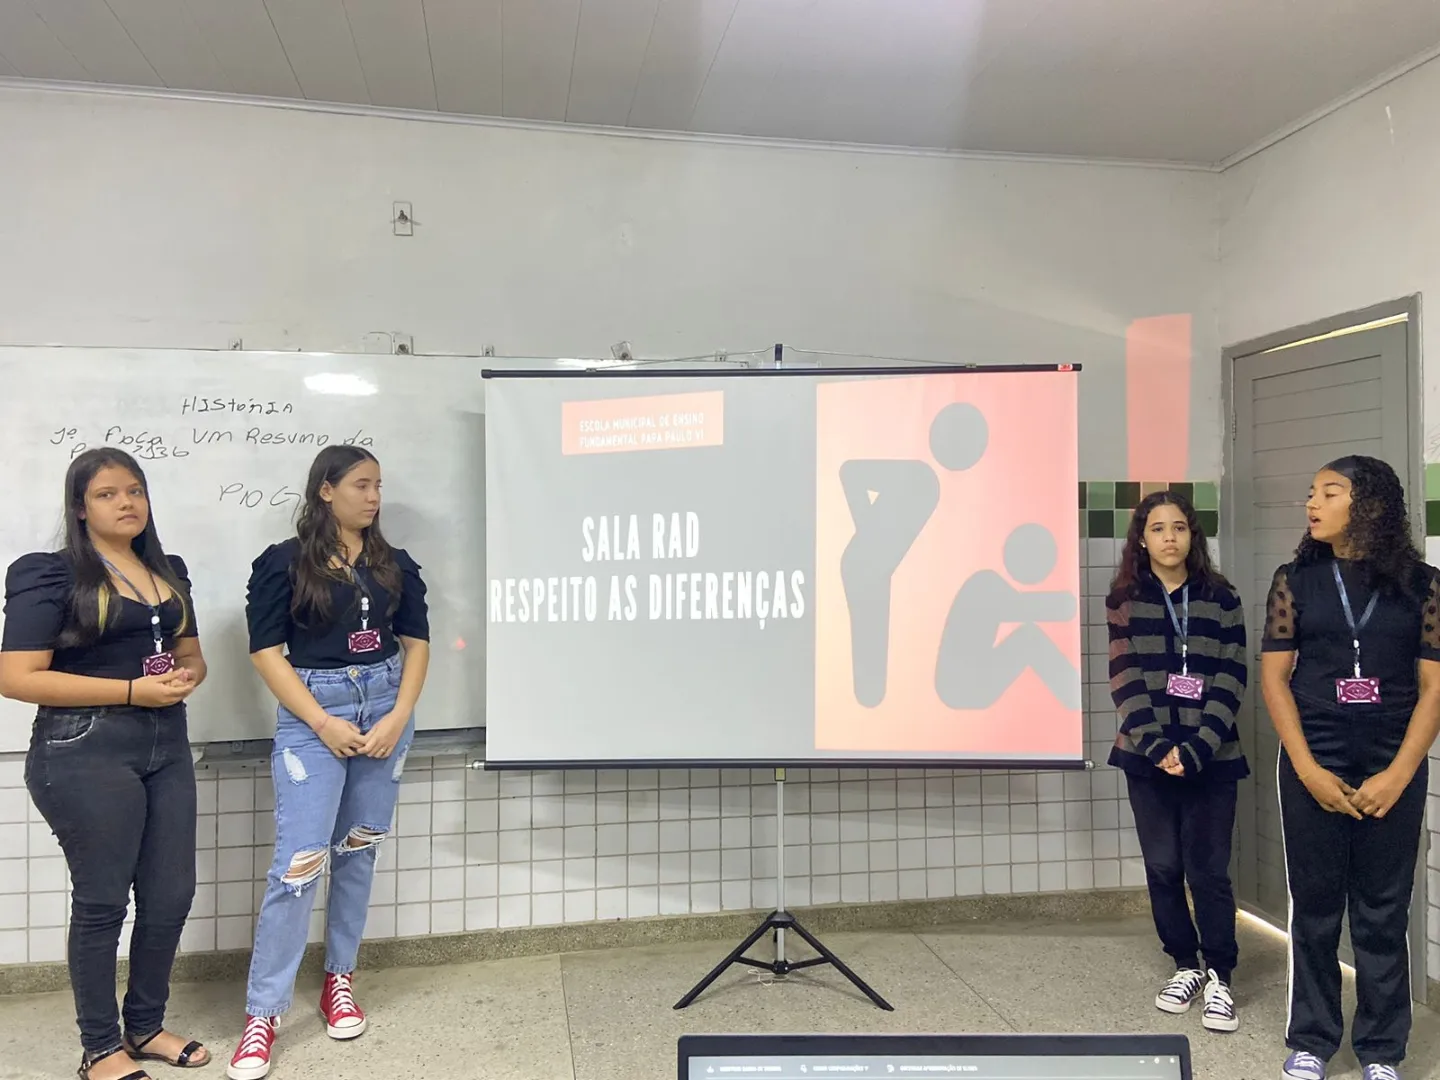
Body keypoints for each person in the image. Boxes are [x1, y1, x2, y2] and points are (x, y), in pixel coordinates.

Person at [0, 448, 209, 1080]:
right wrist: (130, 691)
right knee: (103, 901)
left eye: (135, 490)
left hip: (165, 741)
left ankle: (145, 1026)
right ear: (80, 508)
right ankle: (99, 1047)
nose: (126, 503)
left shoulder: (167, 570)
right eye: (107, 494)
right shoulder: (50, 574)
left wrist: (186, 676)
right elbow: (16, 676)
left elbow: (190, 654)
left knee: (171, 894)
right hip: (84, 747)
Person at [227, 446, 430, 1080]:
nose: (373, 497)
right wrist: (321, 721)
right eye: (361, 485)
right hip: (316, 714)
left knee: (359, 849)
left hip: (386, 709)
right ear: (325, 490)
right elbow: (266, 652)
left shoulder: (393, 563)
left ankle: (339, 979)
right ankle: (263, 1015)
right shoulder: (284, 563)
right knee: (299, 863)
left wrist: (397, 716)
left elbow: (417, 642)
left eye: (379, 486)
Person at [1261, 455, 1440, 1080]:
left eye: (1329, 493)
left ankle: (1382, 1050)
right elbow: (1275, 679)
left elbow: (1434, 687)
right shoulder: (1295, 580)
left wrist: (1399, 773)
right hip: (1315, 756)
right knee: (1314, 908)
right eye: (1312, 493)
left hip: (1394, 760)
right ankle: (1311, 1040)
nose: (1312, 504)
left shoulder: (1424, 585)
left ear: (1370, 504)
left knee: (1383, 910)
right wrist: (1307, 769)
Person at [1106, 491, 1249, 1033]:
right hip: (1146, 758)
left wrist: (1195, 748)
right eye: (1158, 528)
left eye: (1180, 527)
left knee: (1208, 870)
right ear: (1142, 539)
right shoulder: (1124, 599)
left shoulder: (1222, 598)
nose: (1170, 537)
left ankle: (1220, 974)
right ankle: (1185, 964)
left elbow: (1232, 676)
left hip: (1213, 756)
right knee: (1164, 866)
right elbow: (1124, 678)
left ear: (1193, 536)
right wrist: (1158, 747)